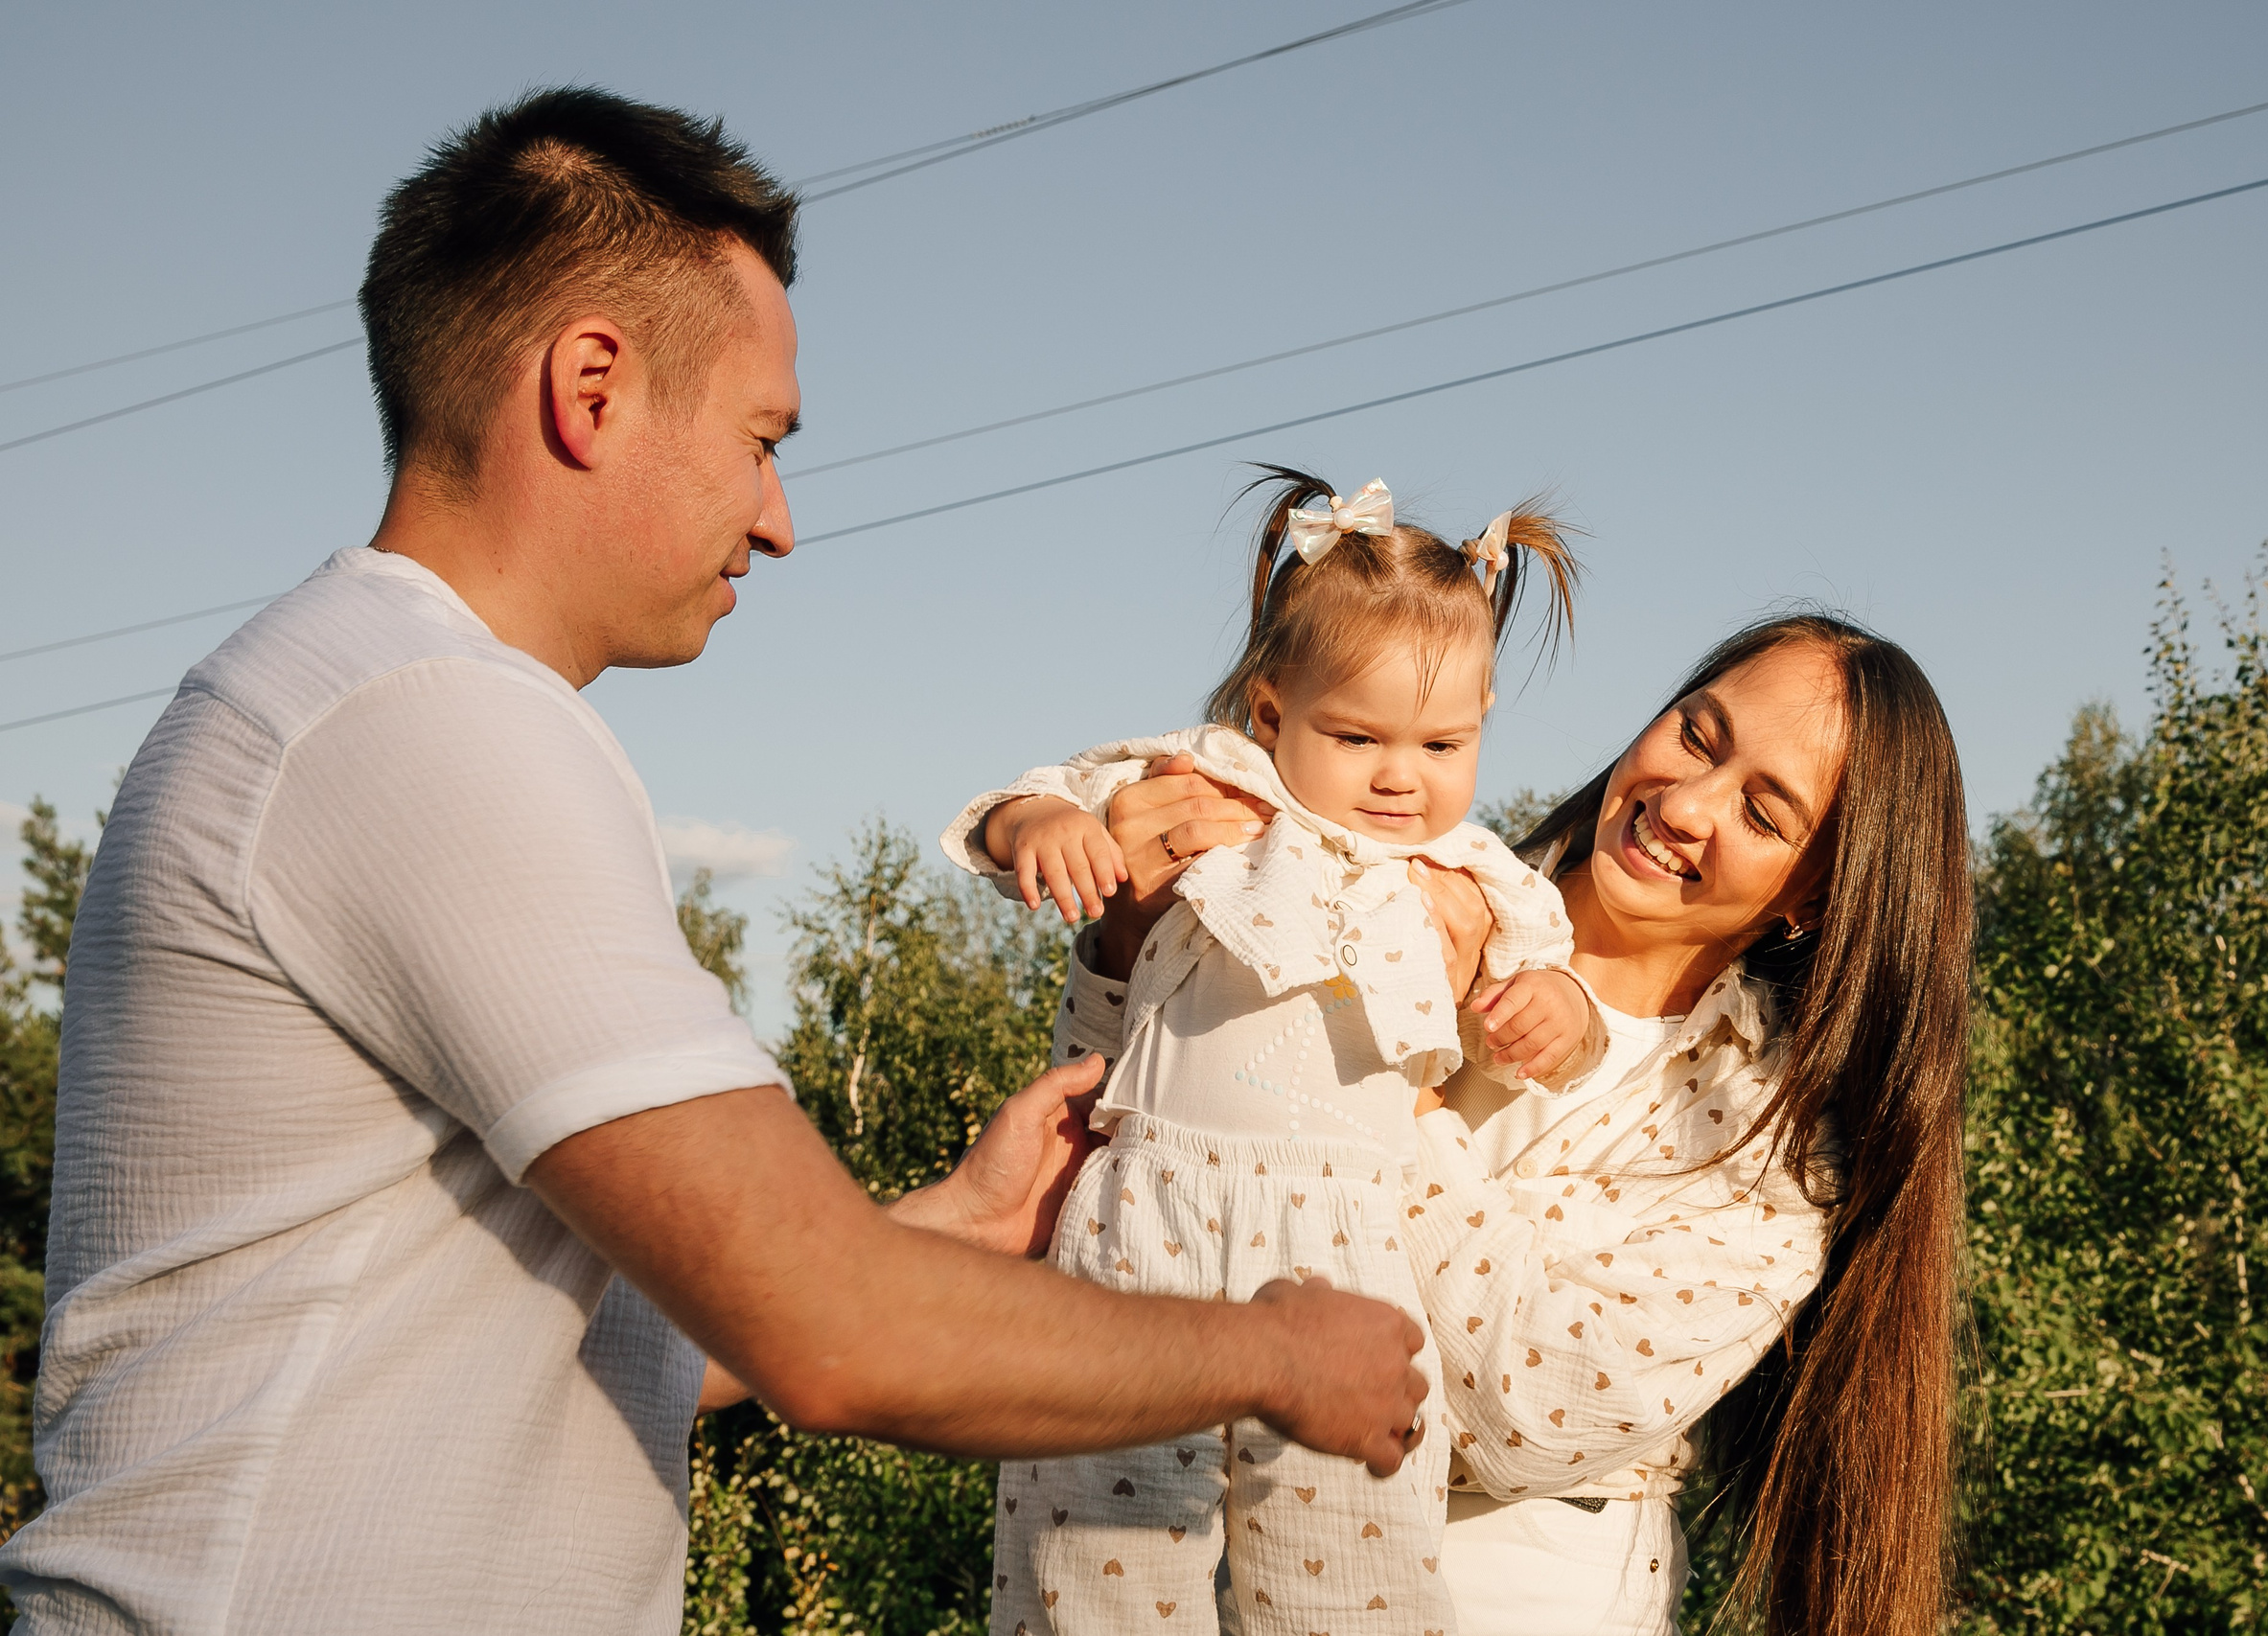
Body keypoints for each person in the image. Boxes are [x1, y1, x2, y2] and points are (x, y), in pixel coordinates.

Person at [0, 90, 1427, 1635]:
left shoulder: (352, 695)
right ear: (592, 387)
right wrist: (1281, 1348)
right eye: (760, 441)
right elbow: (835, 1336)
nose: (781, 519)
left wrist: (950, 1221)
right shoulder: (426, 717)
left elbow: (603, 1350)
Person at [1069, 614, 1971, 1636]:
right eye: (1695, 736)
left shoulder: (1767, 1150)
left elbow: (1521, 1414)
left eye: (1763, 814)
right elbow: (1105, 1208)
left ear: (1815, 894)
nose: (1683, 804)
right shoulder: (1373, 879)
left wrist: (1396, 1077)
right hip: (1213, 1569)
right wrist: (1129, 946)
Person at [938, 469, 1595, 1636]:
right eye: (1357, 736)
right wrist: (1042, 825)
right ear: (1269, 712)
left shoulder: (1474, 877)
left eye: (1443, 743)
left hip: (1350, 1252)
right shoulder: (1210, 787)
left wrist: (1556, 1009)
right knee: (1094, 1568)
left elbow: (1557, 991)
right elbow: (1029, 800)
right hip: (1150, 1230)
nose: (1403, 775)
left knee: (1348, 1578)